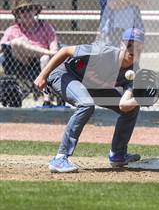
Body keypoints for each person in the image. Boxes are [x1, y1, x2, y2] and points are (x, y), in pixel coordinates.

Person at [34, 28, 145, 173]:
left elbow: (124, 105)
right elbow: (65, 51)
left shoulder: (134, 70)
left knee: (132, 109)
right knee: (86, 104)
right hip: (66, 74)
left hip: (93, 86)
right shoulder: (102, 52)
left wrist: (141, 99)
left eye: (137, 47)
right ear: (121, 44)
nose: (132, 49)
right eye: (129, 44)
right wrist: (42, 75)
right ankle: (60, 158)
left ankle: (118, 155)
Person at [1, 0, 58, 106]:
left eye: (29, 9)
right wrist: (50, 53)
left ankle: (46, 99)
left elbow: (54, 48)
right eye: (22, 11)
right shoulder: (12, 29)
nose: (26, 13)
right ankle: (45, 53)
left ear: (35, 11)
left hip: (42, 64)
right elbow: (2, 47)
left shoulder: (46, 26)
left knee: (46, 58)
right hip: (20, 63)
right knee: (16, 43)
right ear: (18, 14)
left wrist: (51, 54)